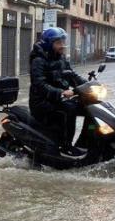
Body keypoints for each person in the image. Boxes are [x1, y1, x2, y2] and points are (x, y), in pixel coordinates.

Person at [29, 27, 87, 157]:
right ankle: (66, 146)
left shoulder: (61, 58)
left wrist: (88, 84)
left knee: (87, 106)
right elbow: (39, 84)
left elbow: (72, 76)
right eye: (58, 43)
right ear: (49, 44)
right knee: (70, 109)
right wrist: (61, 92)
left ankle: (87, 142)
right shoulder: (38, 60)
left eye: (63, 42)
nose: (62, 45)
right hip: (42, 102)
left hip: (58, 99)